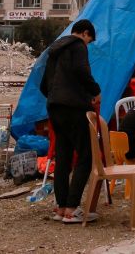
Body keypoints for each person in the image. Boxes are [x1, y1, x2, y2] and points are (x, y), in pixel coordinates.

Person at [39, 19, 101, 224]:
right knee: (86, 155)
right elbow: (82, 72)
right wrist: (95, 91)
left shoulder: (54, 50)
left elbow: (43, 85)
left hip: (54, 108)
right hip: (74, 108)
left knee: (63, 157)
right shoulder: (78, 46)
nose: (88, 44)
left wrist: (55, 98)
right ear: (84, 33)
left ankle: (61, 207)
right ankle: (73, 208)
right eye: (89, 40)